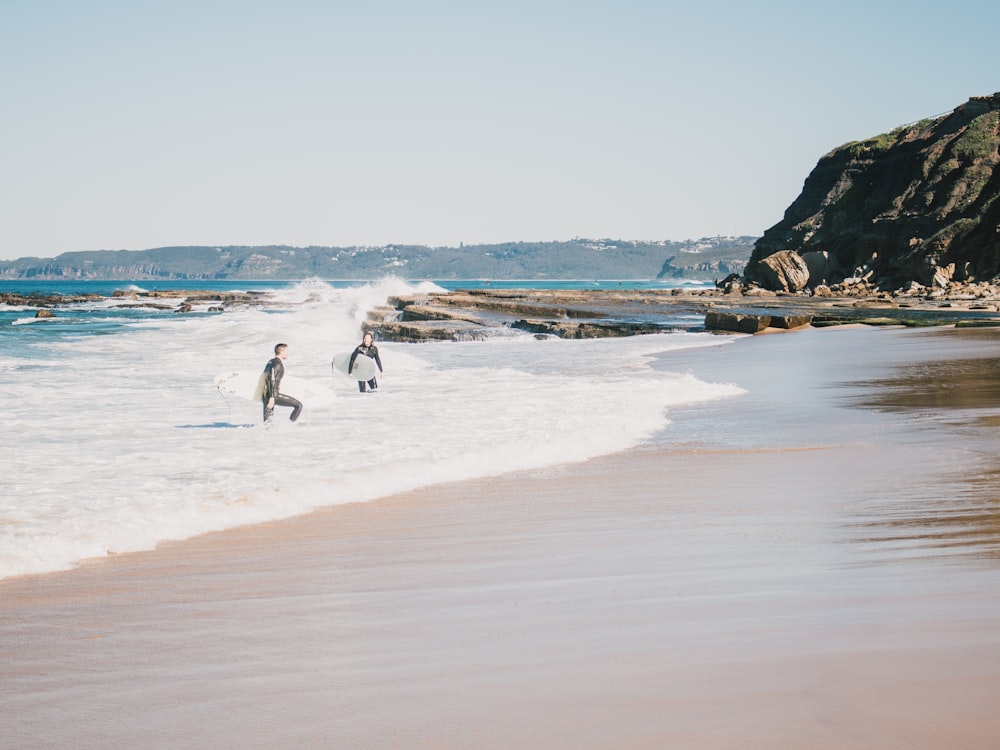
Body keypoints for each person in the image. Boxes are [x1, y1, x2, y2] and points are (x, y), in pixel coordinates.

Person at [262, 343, 303, 422]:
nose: (287, 353)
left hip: (265, 395)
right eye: (286, 351)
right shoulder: (277, 364)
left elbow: (266, 378)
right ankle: (289, 426)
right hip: (273, 395)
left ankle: (267, 433)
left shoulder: (270, 362)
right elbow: (272, 379)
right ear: (281, 351)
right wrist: (272, 397)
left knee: (267, 423)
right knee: (299, 406)